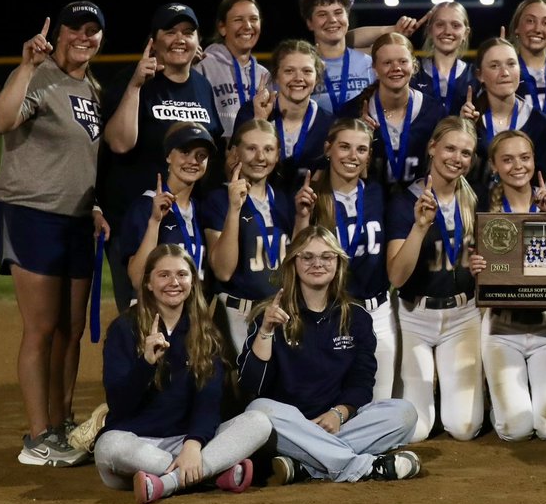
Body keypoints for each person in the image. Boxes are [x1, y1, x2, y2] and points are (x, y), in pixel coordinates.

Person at [0, 2, 110, 466]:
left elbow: (87, 160)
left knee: (71, 329)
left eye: (94, 31)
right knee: (41, 328)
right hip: (30, 212)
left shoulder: (91, 86)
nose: (85, 37)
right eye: (77, 29)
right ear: (57, 33)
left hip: (77, 219)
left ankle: (62, 424)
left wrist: (95, 204)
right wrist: (24, 67)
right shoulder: (39, 76)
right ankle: (38, 435)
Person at [239, 227, 421, 484]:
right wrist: (266, 331)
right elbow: (251, 385)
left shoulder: (356, 318)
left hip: (337, 423)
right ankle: (361, 467)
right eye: (308, 257)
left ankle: (306, 465)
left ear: (338, 263)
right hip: (289, 426)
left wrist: (339, 413)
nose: (318, 264)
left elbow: (361, 382)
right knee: (259, 412)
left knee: (404, 413)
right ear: (294, 263)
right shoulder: (269, 314)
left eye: (326, 257)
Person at [94, 245, 271, 504]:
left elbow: (209, 400)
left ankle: (167, 483)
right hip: (138, 447)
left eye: (182, 274)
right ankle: (212, 473)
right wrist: (145, 363)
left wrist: (193, 444)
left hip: (187, 444)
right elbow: (119, 405)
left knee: (259, 421)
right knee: (109, 446)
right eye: (164, 275)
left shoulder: (204, 332)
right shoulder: (124, 329)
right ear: (149, 284)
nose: (174, 282)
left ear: (192, 282)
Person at [101, 3, 223, 312]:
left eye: (188, 32)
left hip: (188, 221)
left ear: (198, 42)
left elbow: (212, 145)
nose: (179, 39)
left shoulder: (202, 86)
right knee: (141, 314)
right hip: (138, 218)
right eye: (170, 32)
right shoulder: (132, 80)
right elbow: (118, 143)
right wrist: (136, 85)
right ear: (153, 41)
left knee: (189, 319)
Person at [469, 131, 546, 441]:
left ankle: (532, 396)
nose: (518, 166)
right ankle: (501, 407)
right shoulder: (482, 206)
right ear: (494, 165)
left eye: (525, 158)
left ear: (534, 161)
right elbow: (477, 272)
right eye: (508, 159)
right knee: (516, 429)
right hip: (503, 329)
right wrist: (476, 270)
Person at [386, 117, 484, 442]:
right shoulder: (404, 200)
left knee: (465, 428)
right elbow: (397, 276)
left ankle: (450, 398)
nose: (457, 158)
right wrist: (419, 228)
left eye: (466, 153)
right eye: (450, 148)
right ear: (432, 147)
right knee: (415, 431)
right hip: (416, 315)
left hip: (463, 316)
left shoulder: (474, 199)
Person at [294, 119, 396, 400]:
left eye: (361, 149)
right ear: (328, 149)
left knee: (380, 402)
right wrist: (302, 216)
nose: (353, 156)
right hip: (331, 314)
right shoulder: (314, 196)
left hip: (376, 311)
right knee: (331, 401)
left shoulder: (378, 193)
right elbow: (296, 256)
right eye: (344, 147)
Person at [203, 120, 294, 351]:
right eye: (251, 148)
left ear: (278, 155)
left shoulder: (285, 200)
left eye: (268, 149)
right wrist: (234, 209)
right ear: (236, 152)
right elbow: (223, 270)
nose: (260, 157)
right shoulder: (219, 200)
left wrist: (302, 218)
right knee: (242, 385)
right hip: (238, 314)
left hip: (282, 312)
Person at [342, 32, 445, 190]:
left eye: (403, 61)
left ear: (414, 64)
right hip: (367, 203)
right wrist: (356, 136)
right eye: (387, 62)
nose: (396, 68)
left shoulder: (435, 112)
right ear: (374, 68)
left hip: (419, 202)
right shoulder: (352, 113)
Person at [118, 122, 214, 289]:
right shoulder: (144, 207)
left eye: (201, 155)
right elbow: (137, 278)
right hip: (157, 310)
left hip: (193, 311)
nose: (193, 161)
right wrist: (154, 223)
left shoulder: (201, 210)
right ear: (169, 156)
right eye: (185, 152)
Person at [235, 39, 334, 195]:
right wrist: (259, 121)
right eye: (289, 71)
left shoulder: (328, 123)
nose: (298, 78)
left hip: (307, 210)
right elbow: (232, 168)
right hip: (257, 207)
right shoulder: (250, 112)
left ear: (317, 77)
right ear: (276, 75)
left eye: (307, 71)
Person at [461, 37, 546, 186]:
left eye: (511, 64)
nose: (504, 72)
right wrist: (463, 133)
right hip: (476, 206)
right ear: (480, 75)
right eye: (494, 66)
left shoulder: (540, 124)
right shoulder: (467, 120)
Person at [195, 0, 270, 139]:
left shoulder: (264, 74)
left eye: (253, 19)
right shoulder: (204, 65)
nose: (248, 26)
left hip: (254, 152)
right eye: (238, 20)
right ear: (222, 28)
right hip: (216, 153)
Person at [301, 0, 376, 115]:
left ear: (347, 17)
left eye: (338, 12)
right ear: (309, 23)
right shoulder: (300, 66)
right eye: (322, 14)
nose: (332, 20)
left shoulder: (368, 63)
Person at [411, 1, 475, 116]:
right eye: (440, 25)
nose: (447, 31)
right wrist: (395, 31)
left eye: (455, 25)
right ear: (430, 30)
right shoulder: (412, 71)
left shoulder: (475, 75)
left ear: (466, 33)